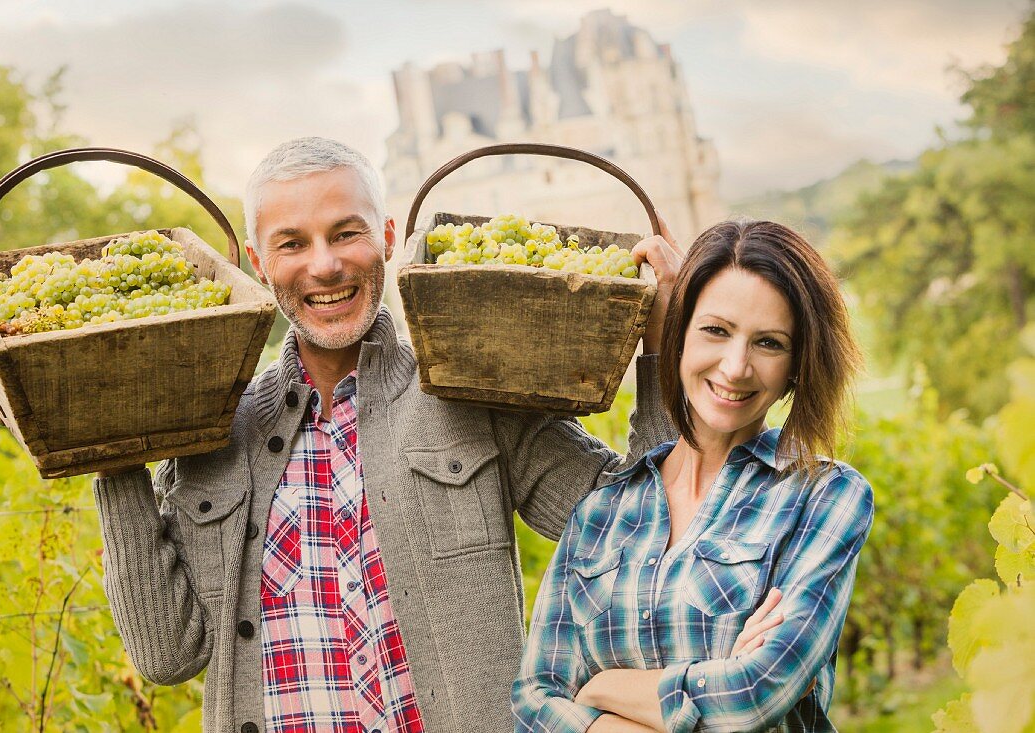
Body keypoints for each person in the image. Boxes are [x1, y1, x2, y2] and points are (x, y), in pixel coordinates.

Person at [92, 137, 682, 733]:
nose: (324, 265)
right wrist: (105, 444)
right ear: (258, 261)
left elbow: (637, 533)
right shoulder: (218, 429)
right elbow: (167, 655)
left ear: (389, 238)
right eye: (292, 243)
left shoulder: (468, 394)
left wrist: (659, 352)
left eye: (346, 233)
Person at [512, 220, 874, 732]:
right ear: (678, 335)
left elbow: (754, 693)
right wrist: (712, 678)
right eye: (716, 331)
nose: (735, 367)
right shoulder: (601, 513)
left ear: (798, 364)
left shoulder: (826, 498)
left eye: (769, 343)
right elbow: (533, 703)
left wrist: (602, 689)